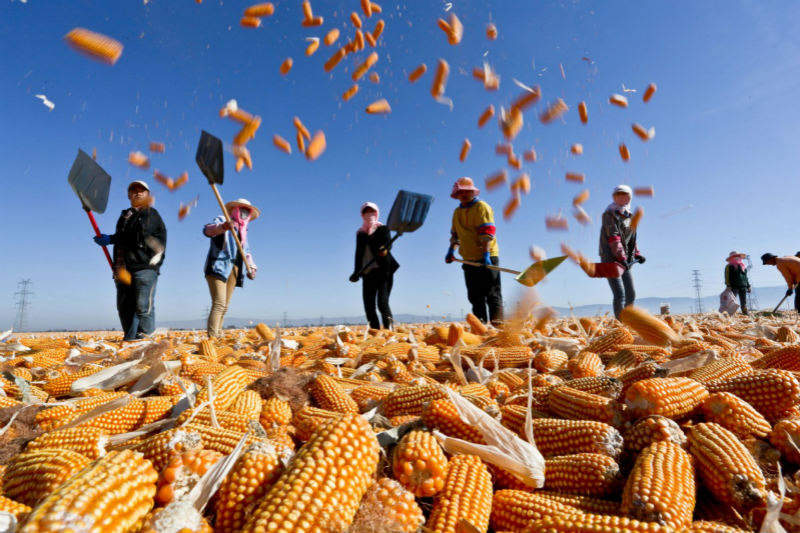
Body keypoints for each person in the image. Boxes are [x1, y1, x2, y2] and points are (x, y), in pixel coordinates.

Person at [93, 180, 167, 341]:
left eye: (142, 190)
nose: (138, 192)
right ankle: (130, 342)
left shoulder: (150, 213)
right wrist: (112, 240)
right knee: (124, 308)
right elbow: (124, 240)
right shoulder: (125, 216)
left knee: (143, 307)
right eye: (134, 190)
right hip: (122, 269)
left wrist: (112, 238)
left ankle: (146, 344)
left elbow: (140, 234)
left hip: (144, 267)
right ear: (128, 195)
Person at [445, 177, 504, 325]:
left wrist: (486, 254)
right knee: (475, 297)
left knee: (492, 295)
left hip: (487, 256)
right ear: (457, 195)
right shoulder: (457, 212)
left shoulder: (481, 207)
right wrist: (451, 251)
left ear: (473, 192)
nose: (463, 195)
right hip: (468, 259)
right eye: (460, 192)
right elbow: (455, 236)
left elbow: (487, 234)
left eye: (467, 192)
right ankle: (481, 328)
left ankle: (499, 329)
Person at [203, 199, 259, 338]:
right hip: (218, 267)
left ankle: (219, 333)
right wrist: (223, 227)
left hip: (234, 269)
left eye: (247, 211)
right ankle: (212, 337)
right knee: (219, 303)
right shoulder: (223, 219)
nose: (245, 213)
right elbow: (208, 230)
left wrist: (252, 268)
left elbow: (247, 252)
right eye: (242, 209)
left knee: (225, 306)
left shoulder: (244, 231)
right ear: (236, 209)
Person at [349, 202, 399, 330]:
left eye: (372, 211)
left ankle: (390, 332)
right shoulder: (360, 233)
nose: (369, 214)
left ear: (376, 213)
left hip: (384, 271)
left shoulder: (383, 229)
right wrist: (356, 272)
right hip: (368, 272)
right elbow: (359, 253)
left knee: (382, 303)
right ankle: (375, 333)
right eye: (366, 212)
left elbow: (389, 244)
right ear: (362, 215)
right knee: (369, 306)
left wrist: (384, 249)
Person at [599, 184, 645, 318]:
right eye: (618, 194)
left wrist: (636, 254)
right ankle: (621, 323)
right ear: (614, 197)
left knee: (631, 293)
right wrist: (621, 257)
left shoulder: (629, 216)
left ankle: (629, 319)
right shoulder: (609, 214)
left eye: (624, 194)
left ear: (629, 197)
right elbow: (614, 238)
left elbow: (630, 238)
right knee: (620, 293)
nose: (621, 197)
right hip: (610, 258)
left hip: (624, 259)